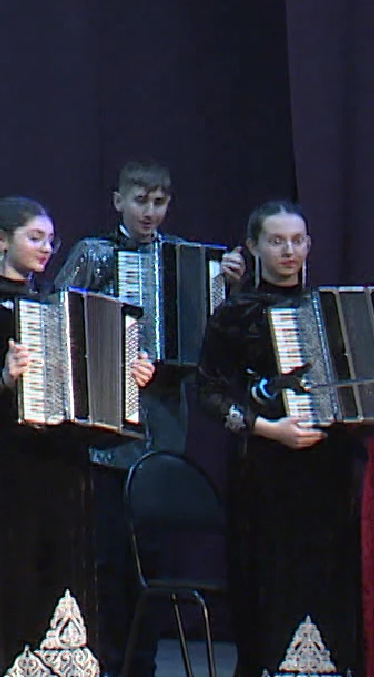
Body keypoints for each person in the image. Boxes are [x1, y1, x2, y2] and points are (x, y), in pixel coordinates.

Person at [0, 196, 156, 677]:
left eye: (51, 240)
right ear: (1, 240)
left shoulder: (56, 302)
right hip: (14, 458)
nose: (47, 248)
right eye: (35, 238)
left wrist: (126, 378)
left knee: (67, 567)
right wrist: (0, 379)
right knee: (15, 569)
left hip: (67, 460)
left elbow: (87, 379)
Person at [50, 160, 243, 677]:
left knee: (152, 557)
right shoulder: (95, 254)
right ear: (118, 201)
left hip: (161, 425)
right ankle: (105, 659)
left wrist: (224, 290)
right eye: (140, 200)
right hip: (107, 426)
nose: (150, 212)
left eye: (159, 202)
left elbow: (207, 350)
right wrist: (114, 358)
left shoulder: (187, 261)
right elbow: (58, 323)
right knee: (108, 558)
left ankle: (142, 664)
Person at [195, 201, 361, 677]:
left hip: (327, 471)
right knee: (267, 583)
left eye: (297, 241)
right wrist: (267, 429)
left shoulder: (331, 310)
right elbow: (208, 390)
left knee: (328, 580)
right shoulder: (235, 312)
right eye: (276, 241)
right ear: (254, 247)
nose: (289, 251)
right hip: (264, 467)